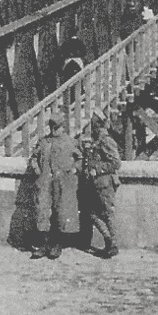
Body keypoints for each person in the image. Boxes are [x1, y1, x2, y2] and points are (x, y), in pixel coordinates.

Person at [27, 117, 82, 259]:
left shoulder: (70, 142)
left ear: (63, 127)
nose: (54, 130)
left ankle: (56, 246)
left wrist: (74, 170)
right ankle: (43, 245)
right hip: (45, 182)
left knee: (60, 212)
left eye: (57, 127)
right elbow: (33, 157)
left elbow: (81, 159)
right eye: (52, 127)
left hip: (62, 183)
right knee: (42, 211)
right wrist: (36, 169)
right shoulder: (44, 141)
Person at [81, 111, 123, 259]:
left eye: (93, 124)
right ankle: (109, 240)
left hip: (105, 184)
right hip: (96, 185)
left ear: (98, 125)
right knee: (92, 213)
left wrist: (97, 169)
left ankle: (113, 245)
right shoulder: (96, 140)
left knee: (107, 214)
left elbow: (116, 163)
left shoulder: (106, 141)